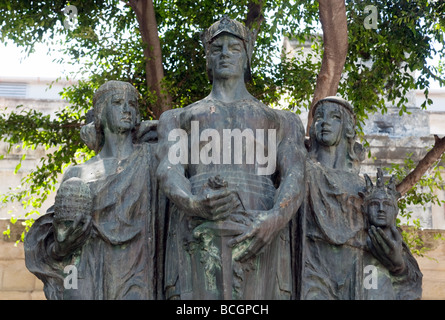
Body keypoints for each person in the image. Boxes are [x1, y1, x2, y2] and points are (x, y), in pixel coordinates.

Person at [156, 15, 307, 300]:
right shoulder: (177, 118)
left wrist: (274, 219)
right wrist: (193, 202)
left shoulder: (282, 121)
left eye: (234, 48)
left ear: (247, 56)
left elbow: (295, 176)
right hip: (196, 233)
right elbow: (169, 171)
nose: (225, 54)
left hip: (261, 232)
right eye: (217, 48)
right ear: (208, 59)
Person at [24, 81, 163, 300]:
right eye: (117, 102)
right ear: (101, 112)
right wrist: (62, 243)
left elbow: (180, 133)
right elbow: (57, 240)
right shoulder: (77, 174)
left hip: (137, 270)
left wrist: (152, 127)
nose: (127, 109)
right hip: (86, 268)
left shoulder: (150, 158)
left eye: (132, 104)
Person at [294, 96, 367, 300]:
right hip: (312, 269)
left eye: (334, 117)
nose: (324, 122)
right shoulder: (302, 172)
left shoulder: (363, 187)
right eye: (319, 117)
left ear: (348, 128)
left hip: (354, 275)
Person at [360, 168, 422, 300]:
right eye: (375, 204)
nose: (381, 209)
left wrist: (399, 266)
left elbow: (412, 287)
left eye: (387, 204)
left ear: (395, 212)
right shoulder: (355, 243)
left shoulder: (402, 250)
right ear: (365, 210)